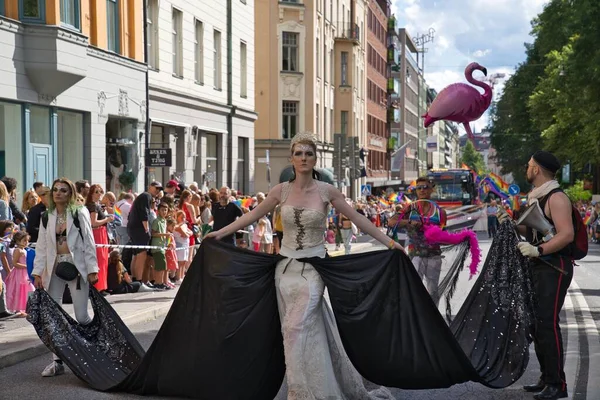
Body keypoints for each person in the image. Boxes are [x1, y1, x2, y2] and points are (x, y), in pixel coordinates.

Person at [205, 132, 403, 398]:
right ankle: (315, 387)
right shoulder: (280, 191)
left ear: (315, 159)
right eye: (298, 153)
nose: (303, 158)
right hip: (284, 272)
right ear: (291, 158)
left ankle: (298, 394)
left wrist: (389, 243)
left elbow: (358, 218)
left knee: (294, 328)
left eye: (308, 153)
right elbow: (251, 216)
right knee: (301, 330)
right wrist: (219, 233)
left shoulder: (327, 191)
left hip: (313, 270)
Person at [499, 151, 573, 400]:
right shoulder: (537, 196)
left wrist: (538, 250)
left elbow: (566, 234)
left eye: (529, 165)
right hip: (539, 265)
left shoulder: (556, 197)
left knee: (547, 323)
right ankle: (546, 378)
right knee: (537, 324)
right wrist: (511, 222)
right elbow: (531, 230)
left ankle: (558, 384)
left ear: (537, 169)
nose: (526, 168)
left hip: (555, 266)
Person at [31, 178, 99, 377]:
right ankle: (57, 362)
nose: (58, 193)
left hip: (76, 268)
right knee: (54, 316)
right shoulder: (47, 216)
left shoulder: (79, 212)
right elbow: (42, 246)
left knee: (82, 316)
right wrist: (37, 272)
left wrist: (92, 269)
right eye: (55, 190)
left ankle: (93, 352)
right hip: (54, 268)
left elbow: (89, 241)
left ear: (70, 193)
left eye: (63, 190)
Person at [388, 176, 447, 306]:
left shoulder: (440, 212)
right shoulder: (409, 208)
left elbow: (443, 235)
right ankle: (417, 315)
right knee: (414, 289)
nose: (422, 190)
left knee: (433, 291)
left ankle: (433, 315)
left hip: (434, 256)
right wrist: (408, 222)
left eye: (425, 187)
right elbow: (391, 222)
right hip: (415, 255)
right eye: (418, 188)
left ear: (431, 190)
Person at [127, 182, 162, 282]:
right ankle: (138, 280)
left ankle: (135, 280)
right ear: (150, 187)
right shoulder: (146, 196)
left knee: (136, 255)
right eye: (156, 188)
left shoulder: (143, 197)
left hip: (133, 228)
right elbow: (144, 212)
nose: (158, 190)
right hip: (139, 228)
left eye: (159, 189)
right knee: (142, 254)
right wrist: (146, 229)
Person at [86, 185, 113, 294]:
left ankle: (100, 287)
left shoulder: (94, 205)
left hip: (100, 233)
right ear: (91, 193)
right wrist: (107, 219)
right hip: (98, 234)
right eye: (96, 192)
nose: (99, 194)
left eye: (100, 192)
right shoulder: (93, 206)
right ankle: (99, 287)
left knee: (102, 260)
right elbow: (94, 223)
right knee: (100, 260)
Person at [4, 231, 35, 313]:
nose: (26, 242)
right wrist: (26, 266)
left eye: (27, 240)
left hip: (25, 273)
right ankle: (18, 308)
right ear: (18, 241)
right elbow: (15, 263)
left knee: (28, 289)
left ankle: (26, 307)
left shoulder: (24, 250)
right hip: (19, 273)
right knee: (19, 289)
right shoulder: (17, 250)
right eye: (24, 240)